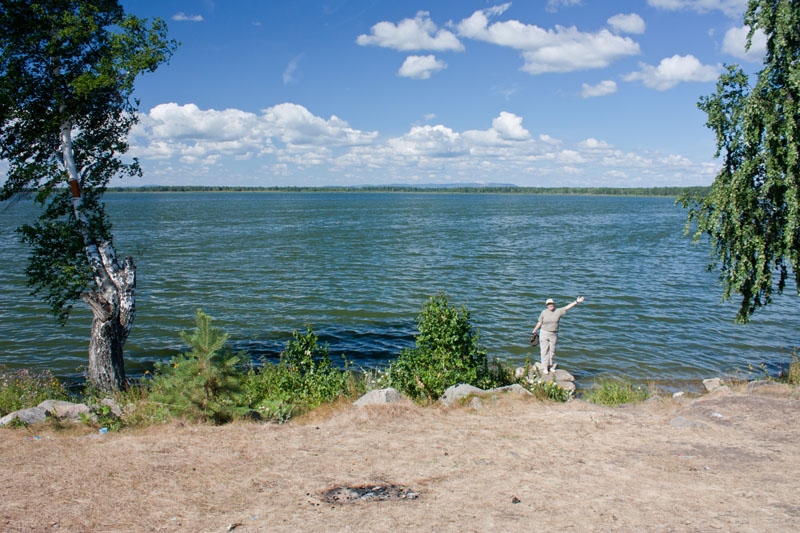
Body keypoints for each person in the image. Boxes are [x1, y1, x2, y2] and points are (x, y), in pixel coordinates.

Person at [532, 296, 584, 374]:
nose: (550, 305)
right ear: (547, 305)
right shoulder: (544, 312)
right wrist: (535, 330)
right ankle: (545, 367)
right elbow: (540, 322)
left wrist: (576, 302)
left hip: (554, 334)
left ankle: (550, 365)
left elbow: (567, 307)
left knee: (552, 351)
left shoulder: (558, 311)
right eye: (548, 304)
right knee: (544, 351)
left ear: (553, 304)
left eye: (551, 303)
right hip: (544, 333)